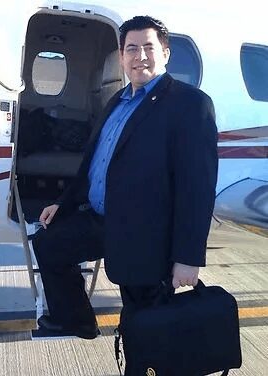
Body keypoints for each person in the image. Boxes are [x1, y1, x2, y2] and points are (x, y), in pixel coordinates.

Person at [32, 15, 218, 346]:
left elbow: (197, 188)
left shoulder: (190, 104)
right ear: (121, 57)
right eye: (131, 48)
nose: (139, 56)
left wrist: (188, 256)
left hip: (146, 235)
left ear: (165, 53)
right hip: (102, 219)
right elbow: (94, 163)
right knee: (48, 242)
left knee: (142, 326)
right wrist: (63, 203)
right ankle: (75, 319)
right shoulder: (118, 100)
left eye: (149, 47)